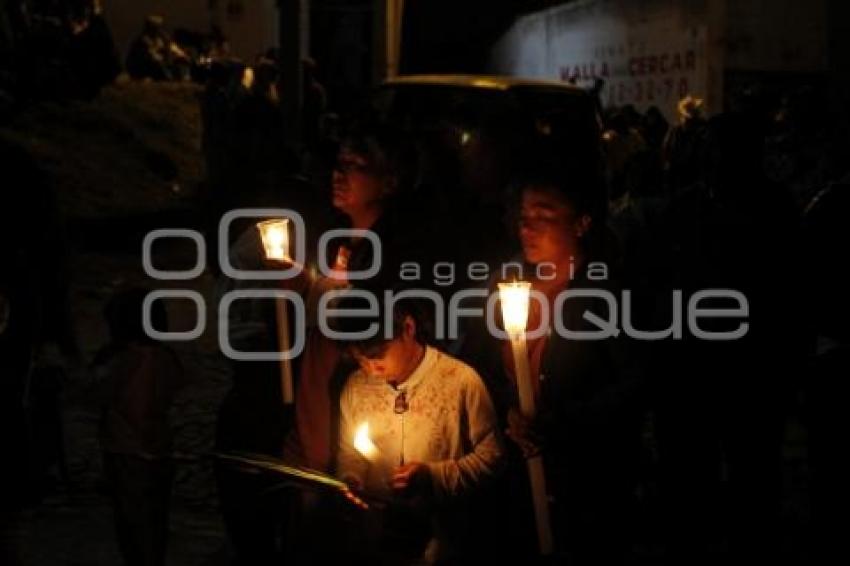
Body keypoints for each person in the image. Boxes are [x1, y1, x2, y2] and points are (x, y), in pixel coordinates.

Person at [461, 152, 644, 563]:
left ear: (582, 223)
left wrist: (563, 422)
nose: (526, 226)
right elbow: (477, 363)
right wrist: (508, 410)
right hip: (512, 480)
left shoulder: (608, 293)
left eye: (543, 215)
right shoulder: (506, 284)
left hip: (588, 482)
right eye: (523, 214)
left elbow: (636, 383)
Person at [335, 295, 504, 564]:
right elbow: (349, 454)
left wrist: (433, 477)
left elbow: (492, 458)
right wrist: (351, 479)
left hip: (447, 543)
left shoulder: (461, 382)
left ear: (408, 328)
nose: (370, 369)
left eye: (377, 356)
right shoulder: (356, 387)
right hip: (378, 544)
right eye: (360, 360)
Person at [93, 287, 184, 566]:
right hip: (156, 451)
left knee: (135, 527)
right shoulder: (165, 358)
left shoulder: (130, 361)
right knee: (152, 523)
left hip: (129, 451)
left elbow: (118, 399)